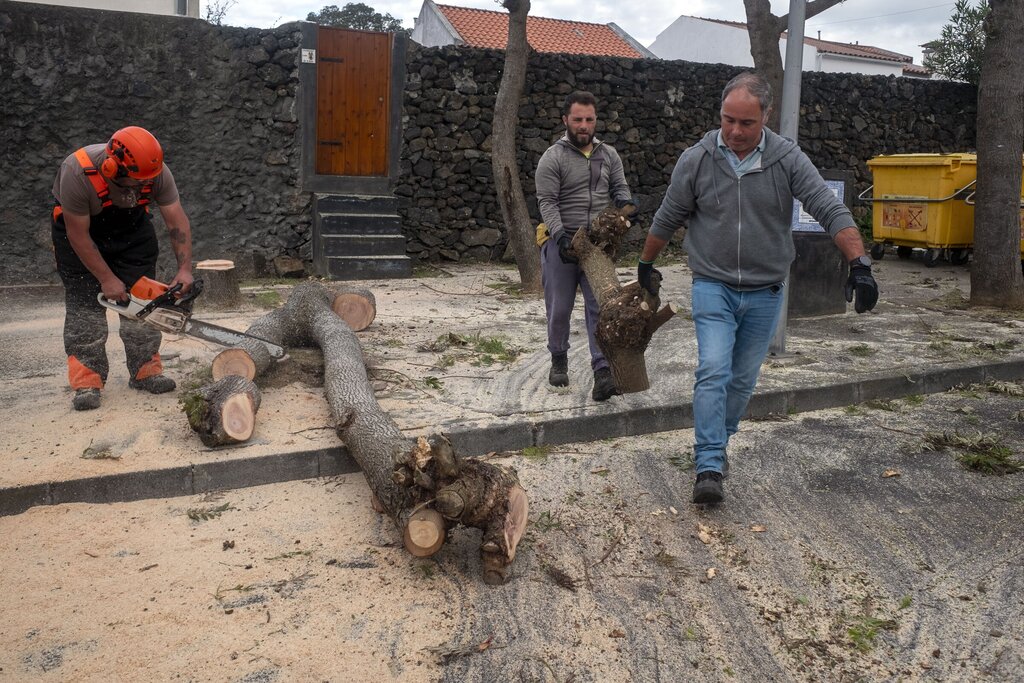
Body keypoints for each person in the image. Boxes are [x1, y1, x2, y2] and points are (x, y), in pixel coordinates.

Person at [638, 72, 878, 504]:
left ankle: (719, 442)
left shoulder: (787, 159)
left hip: (766, 291)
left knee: (742, 382)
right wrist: (645, 264)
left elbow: (828, 208)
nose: (734, 131)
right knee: (713, 369)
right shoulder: (697, 159)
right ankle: (708, 464)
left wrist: (859, 264)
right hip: (712, 284)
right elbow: (668, 215)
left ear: (766, 116)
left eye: (746, 123)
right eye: (728, 119)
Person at [51, 125, 194, 411]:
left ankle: (145, 369)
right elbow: (78, 236)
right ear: (111, 167)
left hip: (131, 230)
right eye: (136, 182)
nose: (144, 186)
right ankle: (86, 380)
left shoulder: (155, 172)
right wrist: (106, 278)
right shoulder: (77, 172)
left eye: (147, 181)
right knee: (84, 306)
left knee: (144, 299)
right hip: (80, 236)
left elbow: (176, 220)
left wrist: (185, 269)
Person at [536, 90, 636, 401]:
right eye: (577, 119)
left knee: (602, 308)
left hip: (597, 245)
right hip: (561, 242)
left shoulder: (609, 155)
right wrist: (560, 236)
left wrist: (626, 205)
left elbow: (620, 187)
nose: (583, 125)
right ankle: (558, 358)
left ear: (595, 121)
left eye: (589, 120)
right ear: (565, 120)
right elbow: (547, 201)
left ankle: (602, 371)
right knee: (559, 308)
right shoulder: (552, 157)